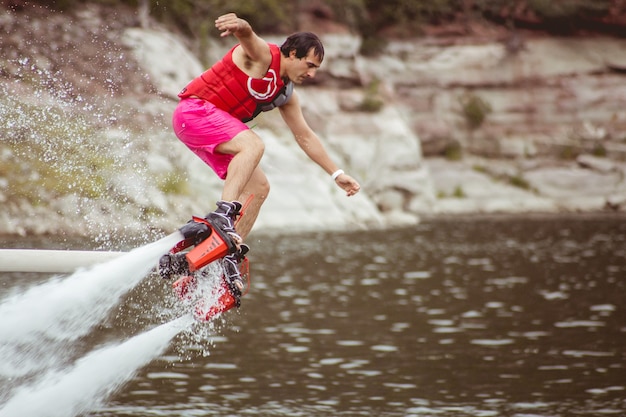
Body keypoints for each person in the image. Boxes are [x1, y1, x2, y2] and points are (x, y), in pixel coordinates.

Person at [169, 13, 361, 294]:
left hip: (206, 128)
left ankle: (222, 255)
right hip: (193, 113)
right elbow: (248, 36)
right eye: (309, 65)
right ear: (292, 53)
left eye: (316, 69)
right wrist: (240, 25)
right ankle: (222, 215)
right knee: (253, 145)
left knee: (259, 187)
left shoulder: (285, 94)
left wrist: (337, 173)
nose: (312, 74)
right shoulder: (263, 58)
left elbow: (305, 135)